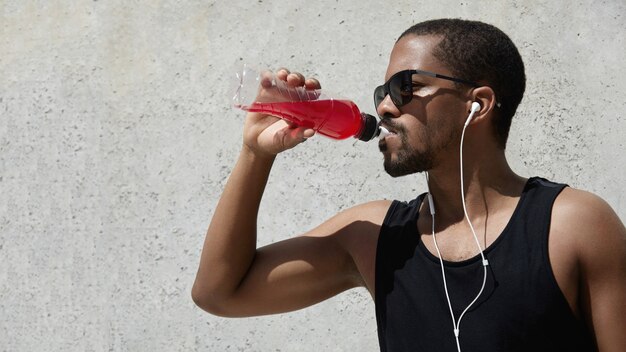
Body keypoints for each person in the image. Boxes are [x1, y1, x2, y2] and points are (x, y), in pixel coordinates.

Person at [192, 19, 626, 351]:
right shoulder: (375, 236)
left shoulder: (571, 226)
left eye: (406, 87)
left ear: (478, 104)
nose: (383, 105)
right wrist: (256, 155)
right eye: (383, 89)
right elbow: (219, 293)